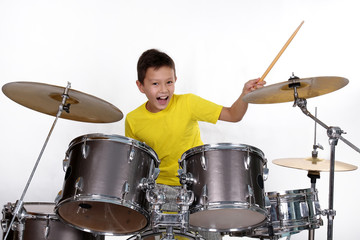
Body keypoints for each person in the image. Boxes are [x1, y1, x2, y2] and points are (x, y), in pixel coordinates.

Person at [125, 48, 265, 239]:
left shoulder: (188, 103)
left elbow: (233, 115)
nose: (164, 89)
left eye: (169, 82)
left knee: (212, 232)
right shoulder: (133, 120)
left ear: (175, 80)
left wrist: (245, 94)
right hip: (158, 193)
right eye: (155, 84)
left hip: (196, 190)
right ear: (141, 86)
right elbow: (134, 168)